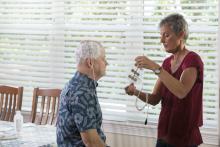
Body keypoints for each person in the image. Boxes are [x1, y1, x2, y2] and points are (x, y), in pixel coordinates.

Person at [125, 13, 203, 147]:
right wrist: (135, 92)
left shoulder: (192, 60)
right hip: (164, 135)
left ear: (181, 34)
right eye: (161, 36)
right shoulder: (167, 63)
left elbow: (181, 91)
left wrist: (155, 68)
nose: (161, 40)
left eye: (166, 35)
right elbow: (155, 99)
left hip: (184, 138)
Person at [56, 40, 108, 147]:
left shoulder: (75, 84)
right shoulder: (82, 93)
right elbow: (91, 143)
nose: (107, 63)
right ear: (90, 62)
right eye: (103, 59)